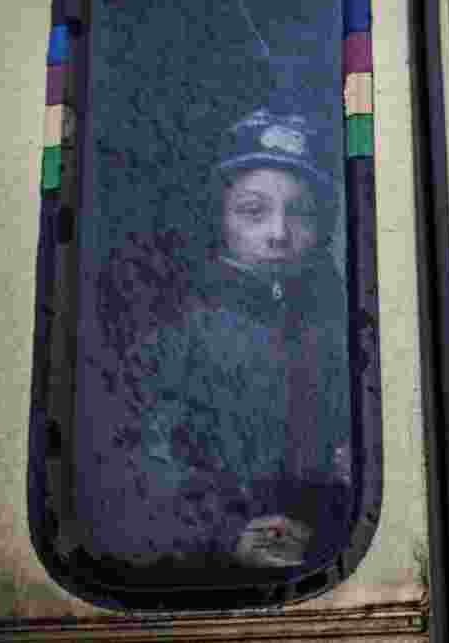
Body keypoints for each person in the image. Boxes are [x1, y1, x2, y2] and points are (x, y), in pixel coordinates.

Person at [120, 108, 350, 569]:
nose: (278, 233)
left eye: (300, 212)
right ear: (220, 220)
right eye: (254, 211)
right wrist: (227, 535)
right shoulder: (175, 333)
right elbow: (146, 465)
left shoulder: (345, 328)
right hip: (212, 570)